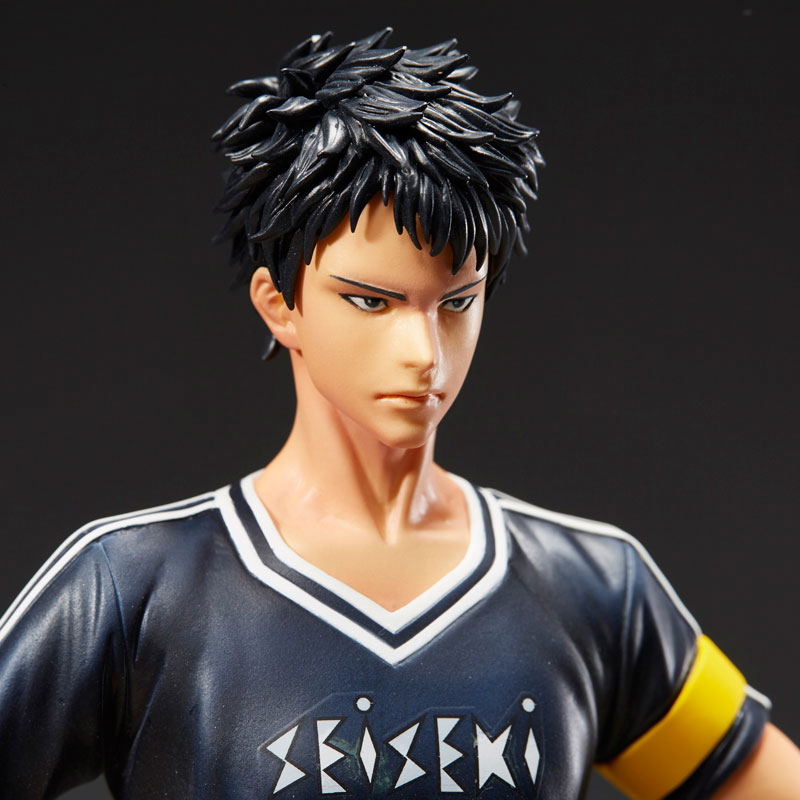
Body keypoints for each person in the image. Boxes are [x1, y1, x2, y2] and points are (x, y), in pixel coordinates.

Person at [0, 27, 797, 800]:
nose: (423, 351)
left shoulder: (594, 588)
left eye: (456, 302)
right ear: (280, 304)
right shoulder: (134, 588)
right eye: (371, 301)